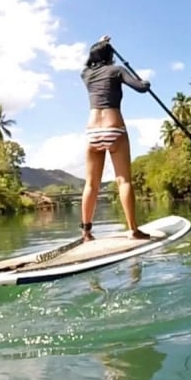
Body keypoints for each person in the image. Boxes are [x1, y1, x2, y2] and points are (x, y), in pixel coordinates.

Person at [79, 35, 151, 242]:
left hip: (92, 132)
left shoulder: (85, 74)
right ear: (110, 55)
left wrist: (100, 43)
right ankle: (134, 230)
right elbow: (140, 88)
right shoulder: (117, 70)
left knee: (91, 184)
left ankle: (86, 232)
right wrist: (145, 83)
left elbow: (91, 62)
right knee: (124, 180)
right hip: (114, 129)